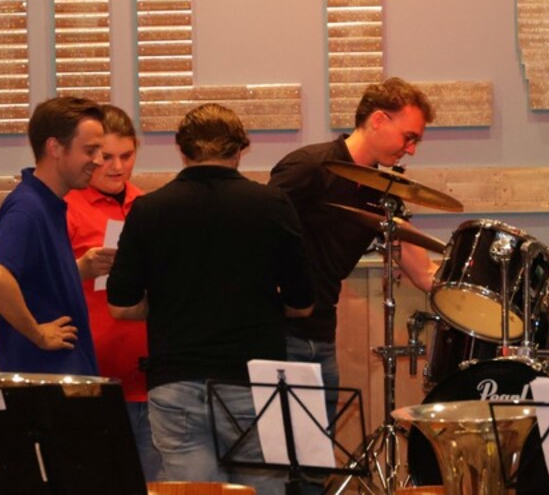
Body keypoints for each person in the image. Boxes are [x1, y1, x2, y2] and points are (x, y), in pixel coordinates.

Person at [107, 103, 314, 494]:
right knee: (261, 489)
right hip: (254, 378)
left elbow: (121, 304)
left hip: (176, 378)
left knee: (194, 491)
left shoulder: (149, 209)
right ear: (240, 149)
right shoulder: (271, 205)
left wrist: (169, 305)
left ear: (182, 150)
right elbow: (302, 303)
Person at [268, 77, 438, 413]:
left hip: (321, 334)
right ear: (378, 120)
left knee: (317, 443)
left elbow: (424, 273)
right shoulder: (309, 167)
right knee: (279, 443)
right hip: (277, 334)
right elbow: (255, 233)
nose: (411, 150)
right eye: (409, 137)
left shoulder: (382, 190)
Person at [64, 104, 163, 481]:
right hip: (93, 378)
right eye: (106, 157)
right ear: (90, 154)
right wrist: (81, 268)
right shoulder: (66, 207)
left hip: (149, 378)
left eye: (127, 155)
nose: (117, 167)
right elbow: (36, 286)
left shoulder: (149, 206)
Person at [0, 96, 104, 375]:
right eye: (90, 150)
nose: (98, 161)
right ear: (55, 148)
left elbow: (33, 280)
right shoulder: (28, 209)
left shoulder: (47, 204)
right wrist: (38, 334)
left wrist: (77, 270)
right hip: (44, 382)